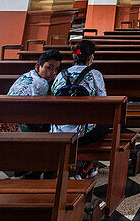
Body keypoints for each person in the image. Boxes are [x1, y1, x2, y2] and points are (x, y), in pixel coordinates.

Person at [50, 40, 107, 178]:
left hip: (58, 131)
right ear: (91, 57)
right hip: (82, 134)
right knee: (105, 125)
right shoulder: (95, 75)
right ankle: (88, 166)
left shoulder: (61, 75)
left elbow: (52, 97)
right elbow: (104, 103)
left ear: (74, 57)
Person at [0, 49, 62, 133]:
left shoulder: (26, 75)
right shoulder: (42, 83)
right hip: (18, 130)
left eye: (56, 69)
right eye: (50, 68)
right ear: (38, 66)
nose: (53, 73)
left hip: (3, 126)